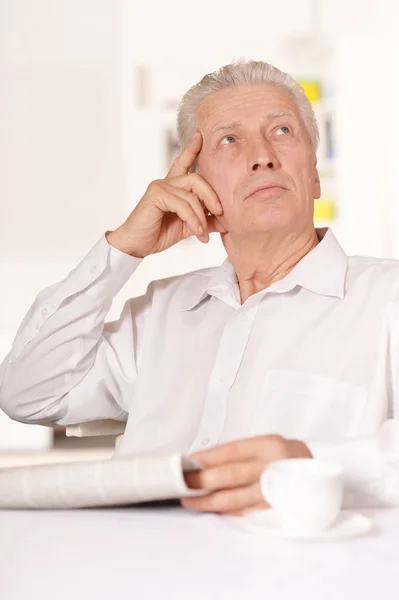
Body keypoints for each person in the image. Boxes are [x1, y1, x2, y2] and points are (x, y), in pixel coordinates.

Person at [1, 60, 399, 515]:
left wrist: (313, 464)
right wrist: (122, 250)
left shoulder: (389, 298)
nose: (263, 155)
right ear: (196, 181)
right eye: (230, 140)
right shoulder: (159, 312)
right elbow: (28, 394)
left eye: (283, 131)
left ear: (313, 172)